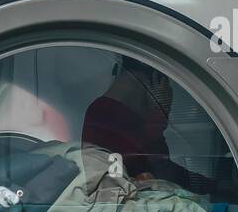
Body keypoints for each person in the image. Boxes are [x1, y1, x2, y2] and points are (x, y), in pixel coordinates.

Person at [81, 57, 212, 194]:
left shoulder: (113, 115)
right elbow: (156, 170)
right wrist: (159, 113)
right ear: (153, 85)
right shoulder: (107, 117)